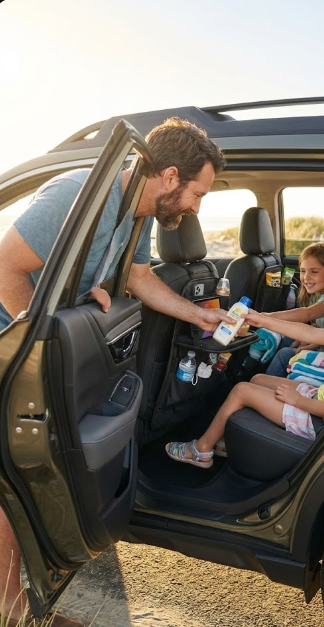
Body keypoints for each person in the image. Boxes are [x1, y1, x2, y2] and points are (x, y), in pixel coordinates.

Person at [0, 117, 228, 626]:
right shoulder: (77, 194)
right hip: (9, 348)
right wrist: (39, 352)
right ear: (170, 176)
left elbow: (139, 277)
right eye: (197, 194)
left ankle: (31, 603)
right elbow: (5, 268)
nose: (196, 208)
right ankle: (12, 613)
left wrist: (199, 315)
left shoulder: (137, 213)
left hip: (43, 347)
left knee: (46, 469)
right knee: (11, 475)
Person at [165, 269, 324, 468]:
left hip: (318, 420)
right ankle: (227, 441)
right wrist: (262, 319)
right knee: (258, 379)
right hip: (318, 399)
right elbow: (309, 332)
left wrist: (298, 400)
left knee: (241, 390)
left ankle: (201, 450)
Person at [263, 241, 324, 378]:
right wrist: (307, 345)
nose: (306, 277)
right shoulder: (317, 294)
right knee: (286, 338)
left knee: (284, 354)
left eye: (314, 272)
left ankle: (266, 383)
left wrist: (265, 317)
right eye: (303, 271)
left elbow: (307, 313)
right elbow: (321, 327)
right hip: (323, 344)